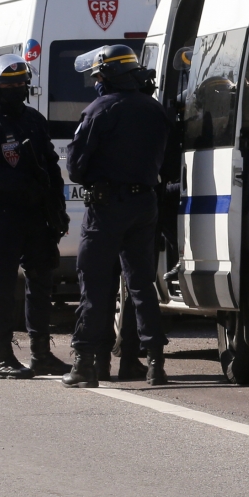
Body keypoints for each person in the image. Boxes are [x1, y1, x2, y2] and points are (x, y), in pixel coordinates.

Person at [62, 44, 171, 389]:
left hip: (106, 208)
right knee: (141, 284)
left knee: (94, 284)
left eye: (97, 75)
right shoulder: (156, 110)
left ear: (106, 76)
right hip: (145, 205)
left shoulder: (98, 111)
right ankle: (153, 362)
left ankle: (85, 363)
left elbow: (76, 169)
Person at [0, 55, 71, 379]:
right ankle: (2, 356)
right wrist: (23, 186)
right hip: (5, 215)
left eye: (20, 83)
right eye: (8, 84)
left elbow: (51, 165)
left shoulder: (35, 121)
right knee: (3, 284)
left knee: (41, 282)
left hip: (38, 215)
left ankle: (41, 354)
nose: (15, 89)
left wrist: (57, 205)